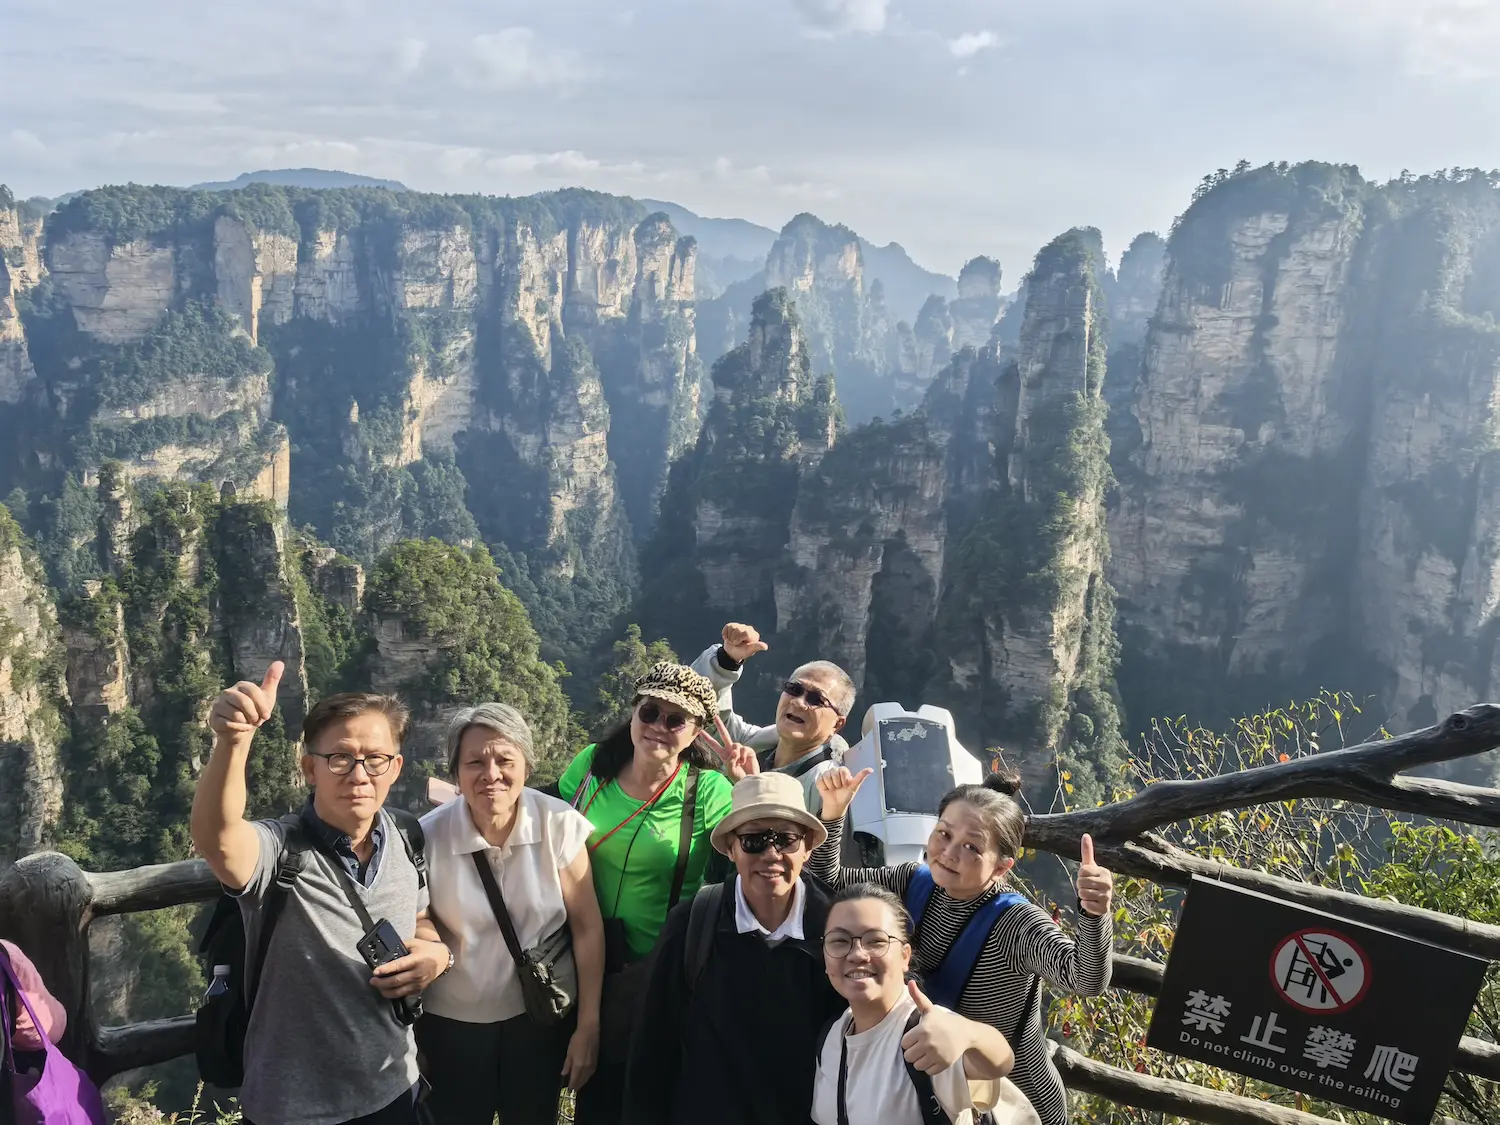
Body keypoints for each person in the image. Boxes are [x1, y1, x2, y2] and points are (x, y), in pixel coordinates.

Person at [191, 662, 453, 1125]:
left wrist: (436, 954)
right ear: (309, 767)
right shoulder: (280, 851)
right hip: (293, 1108)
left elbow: (420, 917)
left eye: (375, 759)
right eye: (340, 758)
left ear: (396, 768)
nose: (359, 774)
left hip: (395, 1087)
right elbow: (219, 839)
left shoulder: (407, 837)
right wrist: (234, 741)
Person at [808, 769, 1113, 1125]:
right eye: (944, 833)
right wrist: (834, 812)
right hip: (930, 1088)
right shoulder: (912, 881)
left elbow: (1086, 980)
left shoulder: (1015, 923)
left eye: (972, 847)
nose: (949, 853)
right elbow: (828, 883)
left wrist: (1094, 913)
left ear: (1001, 867)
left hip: (1012, 1102)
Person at [557, 662, 753, 1125]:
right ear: (633, 712)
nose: (658, 727)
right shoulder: (591, 766)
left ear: (696, 732)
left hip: (646, 973)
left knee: (627, 1100)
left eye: (675, 720)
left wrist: (747, 787)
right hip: (569, 955)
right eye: (649, 712)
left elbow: (749, 856)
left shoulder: (707, 791)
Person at [417, 703, 606, 1125]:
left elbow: (587, 928)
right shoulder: (427, 837)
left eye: (505, 760)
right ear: (456, 772)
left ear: (526, 765)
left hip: (538, 1021)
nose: (491, 774)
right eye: (474, 762)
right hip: (452, 1027)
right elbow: (415, 924)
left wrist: (588, 1026)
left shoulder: (558, 824)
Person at [622, 771, 846, 1125]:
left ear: (807, 847)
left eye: (786, 839)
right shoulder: (693, 923)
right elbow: (653, 1045)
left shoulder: (838, 929)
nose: (771, 854)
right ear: (731, 848)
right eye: (754, 840)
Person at [813, 884, 1040, 1125]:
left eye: (876, 941)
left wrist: (969, 1034)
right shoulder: (834, 1035)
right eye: (839, 941)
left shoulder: (930, 1031)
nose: (857, 954)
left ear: (905, 956)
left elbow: (1000, 1062)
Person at [692, 622, 855, 814]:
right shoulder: (752, 745)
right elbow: (700, 711)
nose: (799, 702)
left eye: (816, 699)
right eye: (794, 689)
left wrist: (752, 788)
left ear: (837, 724)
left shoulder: (829, 789)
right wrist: (727, 660)